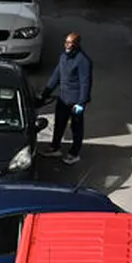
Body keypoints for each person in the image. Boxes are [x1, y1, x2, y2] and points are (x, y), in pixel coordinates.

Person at [40, 32, 93, 165]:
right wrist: (45, 93)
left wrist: (81, 103)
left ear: (77, 44)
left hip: (75, 102)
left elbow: (85, 83)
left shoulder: (83, 61)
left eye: (70, 43)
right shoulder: (63, 57)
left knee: (76, 128)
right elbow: (56, 76)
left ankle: (74, 153)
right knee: (59, 124)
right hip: (63, 99)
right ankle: (55, 147)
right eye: (66, 42)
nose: (67, 45)